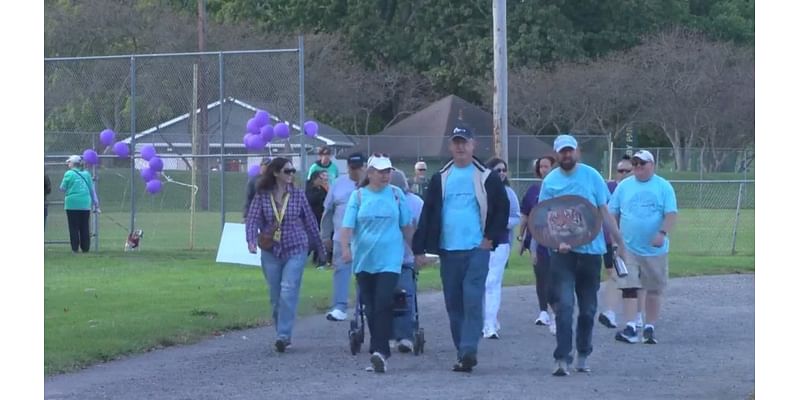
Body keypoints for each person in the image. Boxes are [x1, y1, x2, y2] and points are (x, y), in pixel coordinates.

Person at [412, 126, 509, 373]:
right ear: (450, 146)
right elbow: (429, 213)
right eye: (456, 142)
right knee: (454, 303)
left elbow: (502, 208)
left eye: (464, 142)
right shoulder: (441, 177)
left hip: (477, 248)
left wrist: (489, 238)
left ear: (473, 144)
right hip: (448, 249)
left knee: (472, 298)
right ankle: (462, 352)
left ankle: (469, 349)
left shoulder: (486, 176)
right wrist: (419, 247)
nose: (460, 147)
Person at [538, 134, 626, 376]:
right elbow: (544, 218)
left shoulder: (591, 176)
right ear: (556, 154)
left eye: (570, 150)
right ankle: (562, 358)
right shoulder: (551, 181)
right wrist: (556, 242)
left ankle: (583, 353)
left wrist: (619, 241)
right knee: (564, 306)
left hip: (590, 252)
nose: (567, 155)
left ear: (576, 151)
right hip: (562, 254)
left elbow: (604, 212)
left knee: (587, 309)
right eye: (562, 152)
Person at [339, 154, 414, 373]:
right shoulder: (359, 196)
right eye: (380, 171)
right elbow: (347, 227)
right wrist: (345, 248)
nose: (385, 175)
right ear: (369, 173)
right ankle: (380, 347)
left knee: (383, 301)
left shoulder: (396, 195)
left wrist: (416, 252)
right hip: (364, 259)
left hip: (390, 259)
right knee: (370, 307)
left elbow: (406, 226)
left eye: (388, 171)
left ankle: (379, 352)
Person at [245, 157, 326, 353]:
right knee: (275, 296)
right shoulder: (263, 195)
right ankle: (280, 330)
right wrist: (251, 239)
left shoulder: (297, 195)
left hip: (296, 246)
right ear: (275, 173)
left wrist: (321, 249)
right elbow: (253, 218)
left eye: (292, 171)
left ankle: (283, 335)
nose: (291, 175)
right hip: (271, 249)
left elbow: (310, 222)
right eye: (287, 171)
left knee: (288, 289)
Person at [609, 150, 678, 345]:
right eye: (636, 164)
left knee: (653, 288)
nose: (638, 168)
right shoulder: (624, 187)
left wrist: (662, 233)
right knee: (629, 288)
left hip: (654, 249)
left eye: (643, 164)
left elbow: (671, 213)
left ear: (652, 165)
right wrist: (616, 239)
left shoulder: (663, 186)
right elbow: (613, 212)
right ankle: (631, 326)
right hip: (628, 247)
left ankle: (649, 327)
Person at [320, 153, 367, 321]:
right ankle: (339, 307)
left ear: (364, 166)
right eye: (352, 168)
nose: (355, 171)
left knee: (366, 271)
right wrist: (325, 236)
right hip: (342, 236)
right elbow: (328, 212)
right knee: (341, 270)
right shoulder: (338, 184)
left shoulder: (372, 184)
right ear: (348, 167)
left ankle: (365, 304)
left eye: (358, 168)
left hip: (367, 237)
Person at [597, 155, 640, 329]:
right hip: (612, 240)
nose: (623, 174)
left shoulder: (638, 190)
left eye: (627, 171)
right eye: (620, 170)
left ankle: (625, 314)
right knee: (618, 275)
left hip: (634, 242)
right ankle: (617, 314)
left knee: (629, 278)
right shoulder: (610, 189)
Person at [482, 157, 521, 339]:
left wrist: (501, 223)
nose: (502, 173)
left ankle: (490, 324)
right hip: (481, 243)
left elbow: (516, 217)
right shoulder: (482, 191)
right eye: (498, 170)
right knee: (481, 282)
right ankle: (486, 319)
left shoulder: (509, 193)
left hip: (501, 242)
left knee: (492, 282)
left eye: (504, 170)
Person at [518, 155, 557, 333]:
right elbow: (525, 215)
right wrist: (521, 237)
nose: (543, 170)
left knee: (555, 277)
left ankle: (558, 311)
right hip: (536, 238)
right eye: (541, 167)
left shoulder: (560, 188)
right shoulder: (533, 190)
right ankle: (543, 311)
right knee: (541, 275)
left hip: (556, 238)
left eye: (546, 166)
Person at [389, 169, 424, 353]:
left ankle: (405, 336)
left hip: (405, 258)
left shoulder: (415, 203)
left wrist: (418, 251)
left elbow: (419, 228)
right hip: (383, 259)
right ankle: (389, 334)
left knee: (405, 295)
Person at [59, 155, 100, 253]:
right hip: (85, 204)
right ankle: (85, 248)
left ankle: (75, 248)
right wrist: (96, 204)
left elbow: (62, 188)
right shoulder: (86, 174)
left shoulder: (68, 174)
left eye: (69, 162)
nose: (68, 164)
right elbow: (91, 189)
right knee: (84, 226)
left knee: (73, 227)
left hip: (72, 204)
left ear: (73, 163)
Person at [305, 170, 330, 268]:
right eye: (320, 178)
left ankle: (321, 260)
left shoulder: (323, 189)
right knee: (311, 241)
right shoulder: (309, 189)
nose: (322, 180)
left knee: (320, 240)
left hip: (321, 217)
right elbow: (311, 200)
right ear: (315, 179)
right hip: (311, 218)